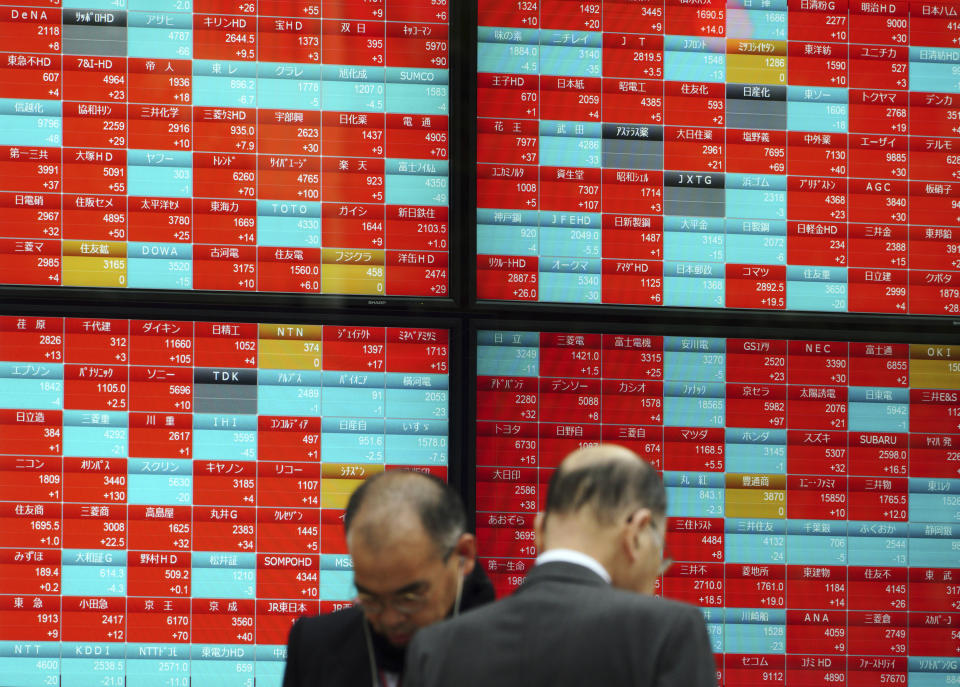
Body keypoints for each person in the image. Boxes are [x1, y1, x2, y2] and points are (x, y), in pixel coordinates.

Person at [405, 444, 718, 687]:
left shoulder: (436, 648)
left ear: (539, 531)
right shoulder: (669, 631)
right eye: (660, 550)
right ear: (636, 531)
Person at [282, 470, 495, 687]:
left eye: (409, 598)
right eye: (370, 599)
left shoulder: (512, 650)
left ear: (464, 555)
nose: (390, 619)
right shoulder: (315, 646)